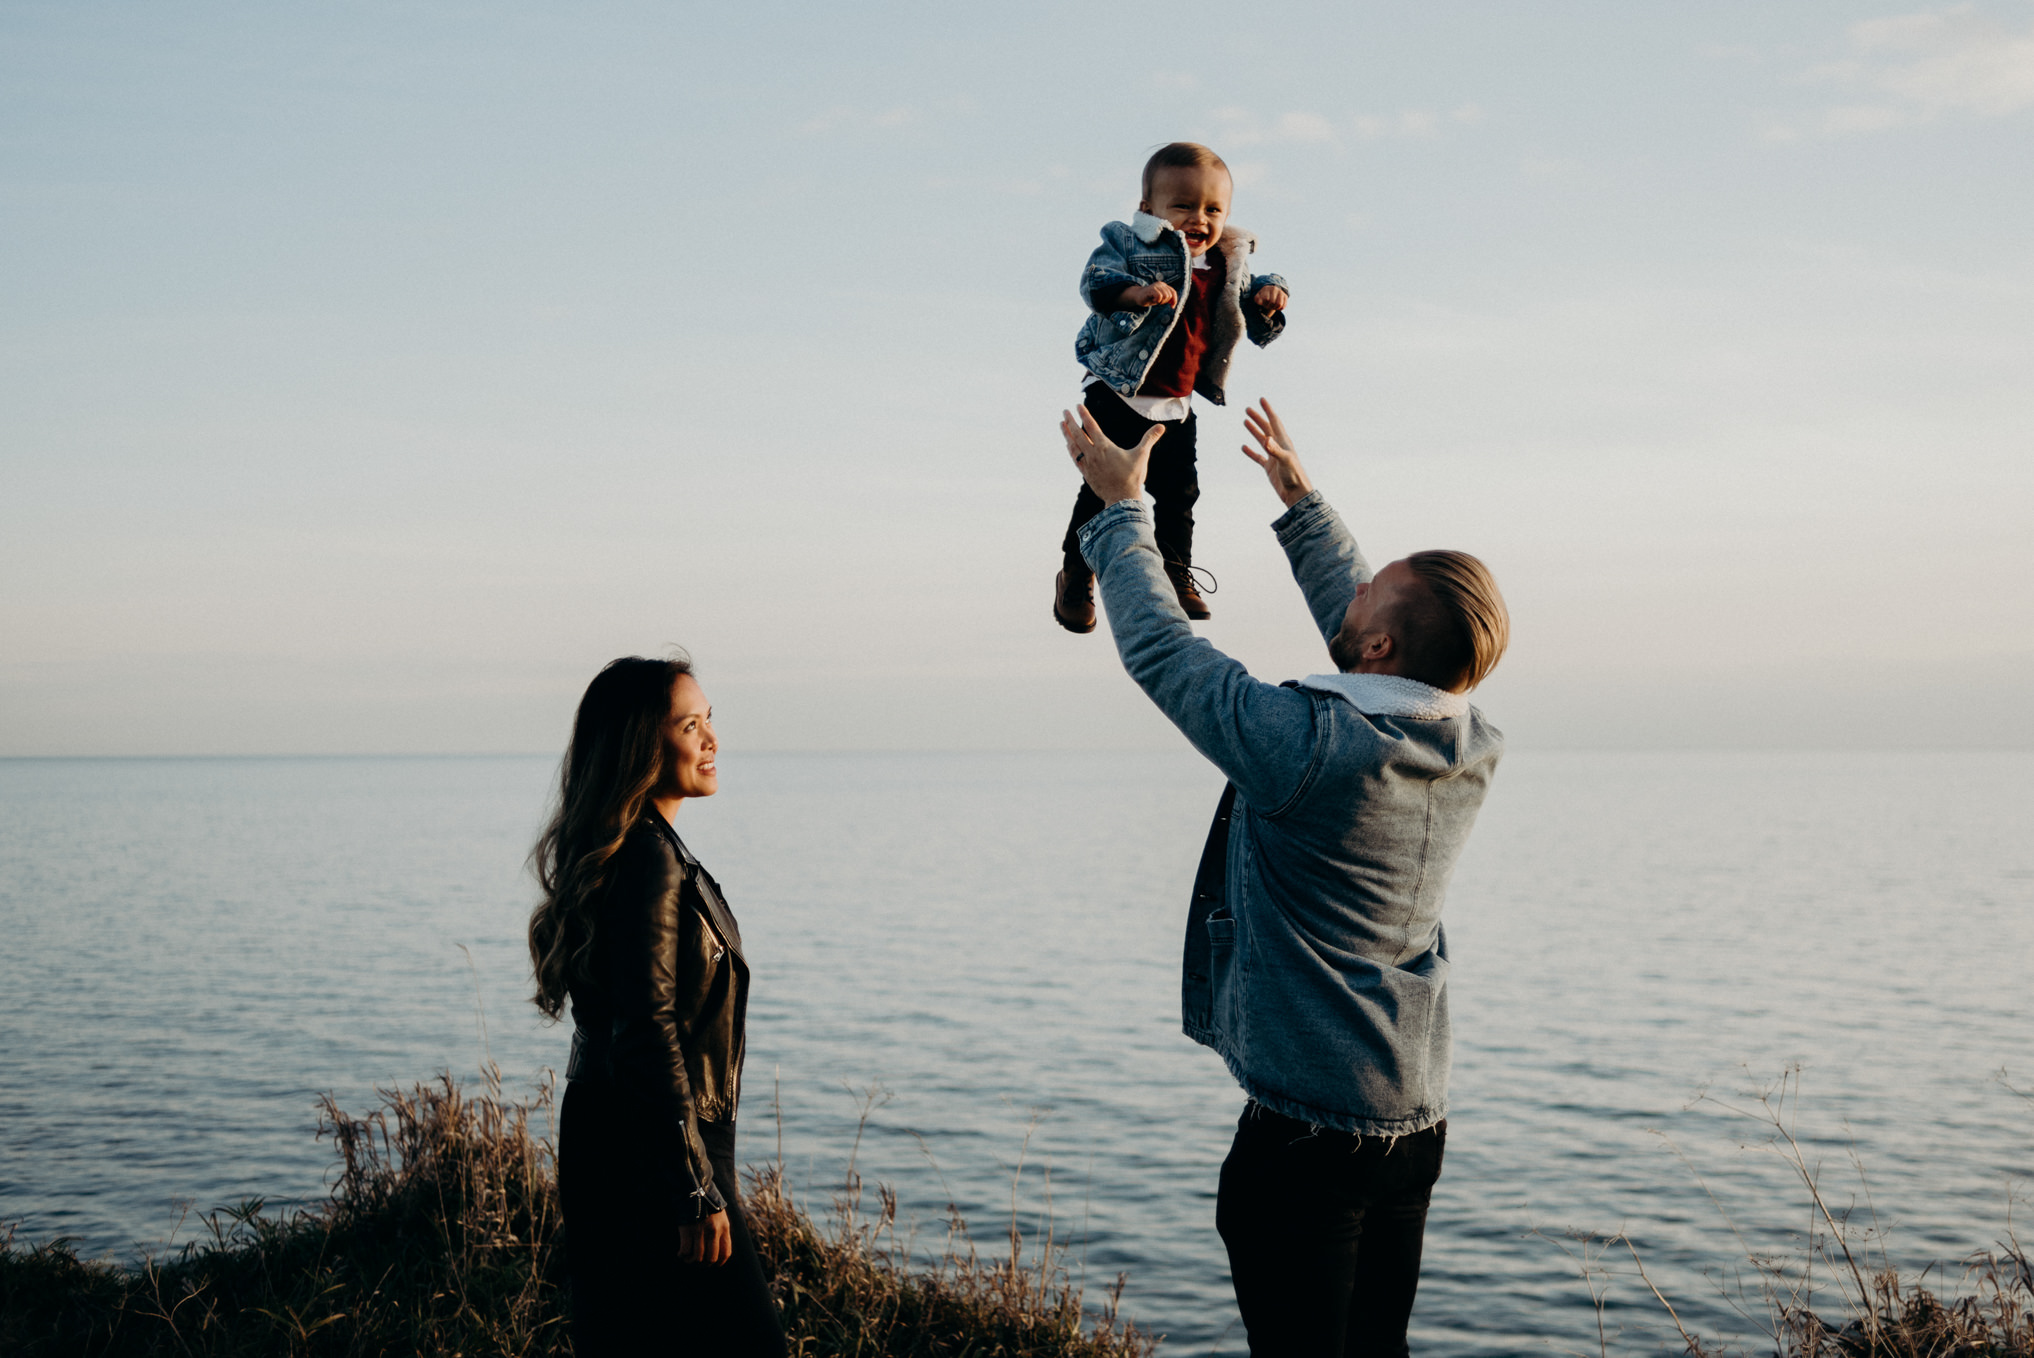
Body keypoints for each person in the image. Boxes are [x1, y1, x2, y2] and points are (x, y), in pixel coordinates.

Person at [1059, 399, 1510, 1358]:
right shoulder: (1467, 742)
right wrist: (1301, 503)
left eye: (1364, 596)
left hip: (1308, 1141)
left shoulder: (1308, 748)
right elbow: (1381, 646)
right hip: (1412, 1118)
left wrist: (1120, 512)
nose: (1349, 599)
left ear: (1382, 645)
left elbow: (1168, 656)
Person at [527, 655, 785, 1357]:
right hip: (657, 1143)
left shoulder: (641, 849)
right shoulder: (647, 858)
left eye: (709, 722)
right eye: (690, 725)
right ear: (643, 745)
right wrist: (693, 1185)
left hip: (622, 1131)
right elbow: (647, 1027)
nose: (711, 741)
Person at [1055, 141, 1292, 633]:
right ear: (1150, 210)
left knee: (1180, 493)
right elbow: (1095, 280)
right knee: (1101, 490)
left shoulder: (1230, 262)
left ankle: (1175, 571)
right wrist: (1135, 293)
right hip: (1118, 389)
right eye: (1182, 206)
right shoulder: (1129, 241)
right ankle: (1076, 575)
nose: (1198, 219)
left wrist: (1273, 299)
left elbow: (1255, 299)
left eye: (1212, 209)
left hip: (1176, 404)